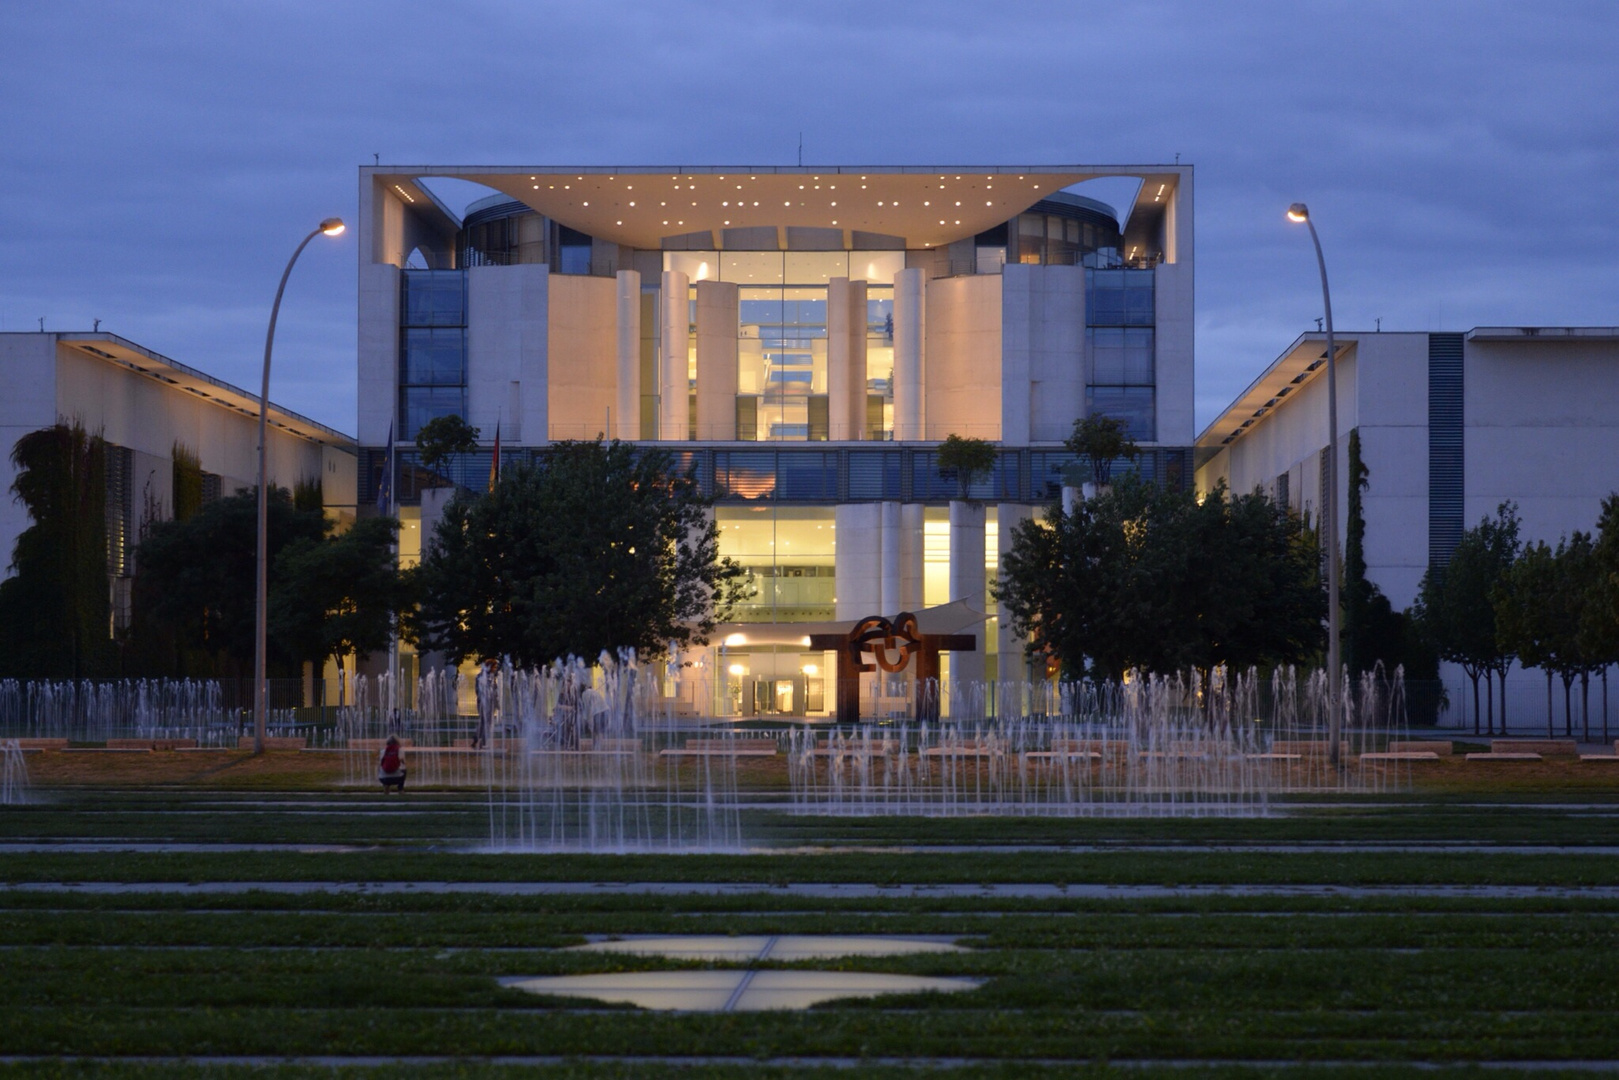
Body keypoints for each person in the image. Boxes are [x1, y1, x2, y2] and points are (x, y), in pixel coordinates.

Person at [473, 657, 500, 749]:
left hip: (490, 702)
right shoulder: (480, 676)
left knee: (487, 722)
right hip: (483, 702)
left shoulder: (492, 677)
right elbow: (478, 690)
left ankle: (478, 739)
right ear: (489, 666)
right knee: (485, 721)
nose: (495, 669)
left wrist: (497, 702)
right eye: (494, 667)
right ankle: (480, 741)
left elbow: (494, 690)